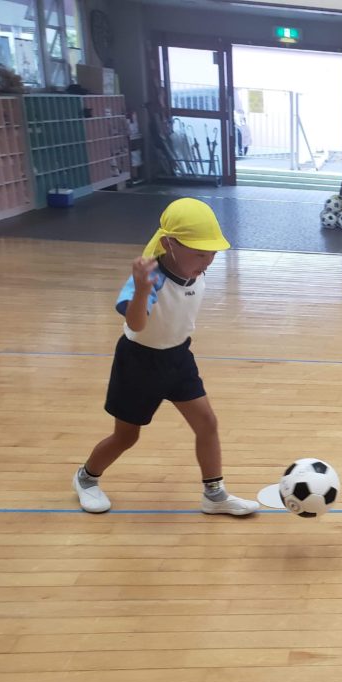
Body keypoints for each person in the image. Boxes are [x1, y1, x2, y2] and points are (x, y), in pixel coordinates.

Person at [72, 198, 260, 517]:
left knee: (207, 423)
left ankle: (214, 495)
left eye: (212, 253)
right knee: (126, 436)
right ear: (168, 244)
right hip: (138, 363)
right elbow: (136, 323)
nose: (208, 260)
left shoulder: (194, 273)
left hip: (178, 358)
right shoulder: (150, 278)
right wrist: (142, 290)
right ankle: (86, 478)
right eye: (199, 253)